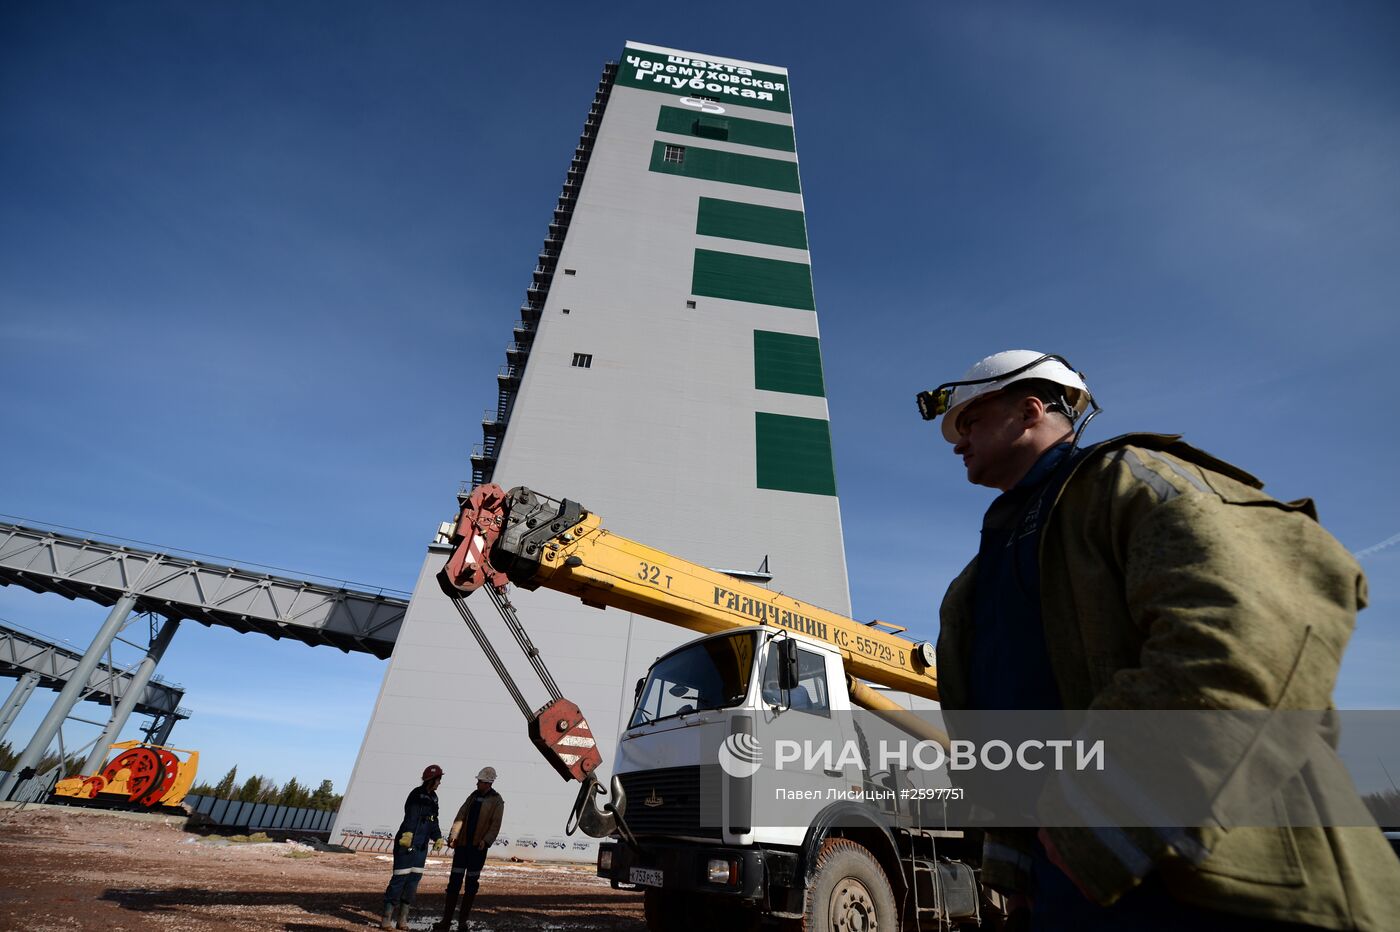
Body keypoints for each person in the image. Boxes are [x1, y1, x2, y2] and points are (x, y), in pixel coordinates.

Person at [921, 350, 1400, 930]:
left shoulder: (1130, 481)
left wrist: (1098, 819)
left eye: (969, 421)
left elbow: (1240, 634)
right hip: (1074, 892)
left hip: (1232, 885)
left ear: (1028, 411)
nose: (956, 441)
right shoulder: (977, 580)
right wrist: (1017, 875)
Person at [437, 766, 504, 931]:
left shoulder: (496, 800)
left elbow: (495, 824)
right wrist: (454, 835)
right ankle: (446, 921)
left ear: (488, 783)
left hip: (477, 849)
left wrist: (486, 841)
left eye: (480, 781)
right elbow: (460, 816)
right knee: (454, 883)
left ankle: (462, 922)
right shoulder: (472, 797)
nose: (477, 783)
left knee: (471, 885)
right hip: (462, 847)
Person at [381, 763, 445, 930]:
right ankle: (386, 919)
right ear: (432, 779)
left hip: (421, 847)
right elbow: (411, 816)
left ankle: (402, 920)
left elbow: (433, 820)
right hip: (407, 843)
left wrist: (437, 837)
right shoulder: (416, 795)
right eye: (439, 779)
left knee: (412, 883)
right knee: (399, 880)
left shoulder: (434, 798)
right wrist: (408, 834)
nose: (440, 783)